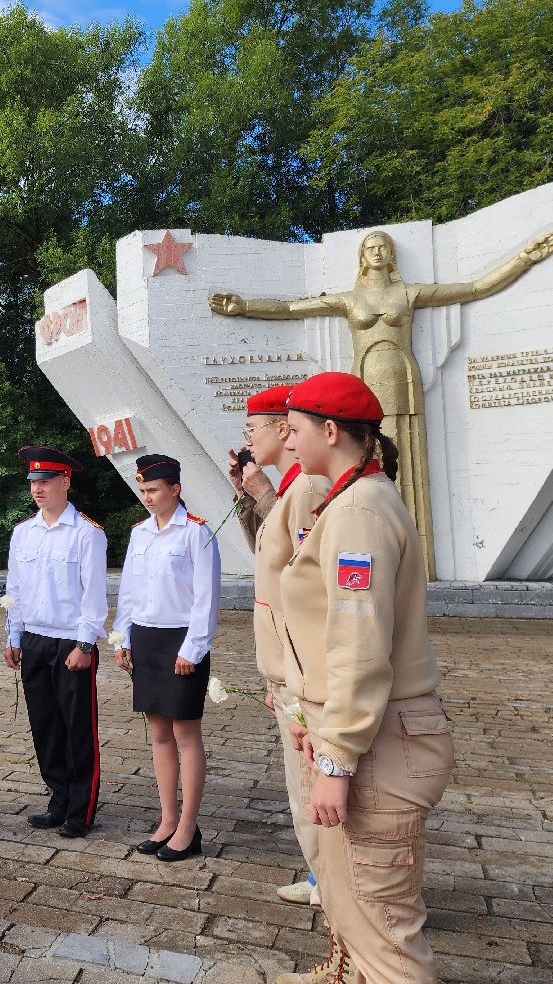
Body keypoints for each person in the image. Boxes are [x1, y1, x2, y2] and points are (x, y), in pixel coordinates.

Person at [209, 228, 553, 573]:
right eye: (370, 247)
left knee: (403, 461)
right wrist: (245, 307)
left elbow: (472, 288)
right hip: (362, 379)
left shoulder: (407, 294)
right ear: (362, 257)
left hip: (402, 378)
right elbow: (294, 308)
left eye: (383, 247)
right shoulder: (350, 299)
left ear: (391, 255)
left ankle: (413, 558)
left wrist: (522, 260)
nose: (377, 252)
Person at [276, 372, 455, 984]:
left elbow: (358, 645)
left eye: (294, 429)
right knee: (354, 906)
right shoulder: (355, 499)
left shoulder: (357, 512)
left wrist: (338, 757)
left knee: (385, 937)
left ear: (330, 430)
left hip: (377, 745)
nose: (287, 440)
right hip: (368, 736)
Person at [228, 386, 331, 906]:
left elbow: (302, 571)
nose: (249, 440)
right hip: (284, 661)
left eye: (256, 429)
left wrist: (262, 495)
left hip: (301, 662)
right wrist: (252, 497)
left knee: (311, 774)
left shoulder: (307, 488)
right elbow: (267, 553)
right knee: (299, 781)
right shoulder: (288, 485)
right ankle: (320, 875)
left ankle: (330, 882)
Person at [114, 454, 221, 863]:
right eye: (142, 491)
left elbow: (207, 598)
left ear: (175, 489)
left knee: (185, 734)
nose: (147, 497)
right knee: (158, 733)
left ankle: (190, 828)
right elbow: (128, 590)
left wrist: (192, 649)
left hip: (180, 640)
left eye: (154, 490)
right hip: (145, 637)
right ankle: (167, 820)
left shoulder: (196, 532)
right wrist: (122, 639)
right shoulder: (140, 533)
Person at [3, 445, 107, 838]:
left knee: (78, 728)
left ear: (66, 481)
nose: (38, 489)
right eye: (33, 482)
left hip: (70, 643)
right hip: (34, 640)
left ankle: (81, 808)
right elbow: (15, 590)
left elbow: (94, 595)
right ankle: (58, 798)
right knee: (44, 726)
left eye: (45, 481)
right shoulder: (23, 533)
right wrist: (13, 637)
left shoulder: (86, 533)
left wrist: (85, 645)